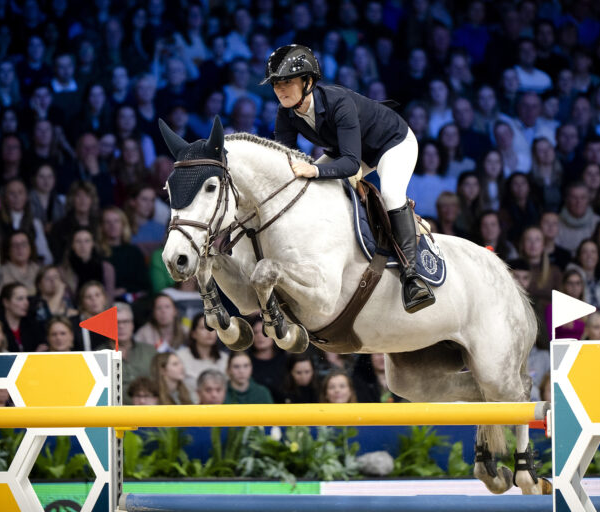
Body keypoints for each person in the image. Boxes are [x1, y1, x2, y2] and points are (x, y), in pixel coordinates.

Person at [263, 44, 434, 312]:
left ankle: (412, 276)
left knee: (390, 194)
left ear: (308, 82)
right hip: (350, 152)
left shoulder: (338, 102)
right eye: (275, 84)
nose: (280, 89)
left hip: (392, 143)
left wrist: (316, 170)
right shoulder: (285, 112)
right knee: (304, 189)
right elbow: (285, 159)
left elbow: (352, 164)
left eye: (287, 82)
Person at [95, 302, 156, 404]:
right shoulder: (97, 356)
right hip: (114, 416)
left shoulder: (150, 352)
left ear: (132, 324)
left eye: (126, 321)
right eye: (116, 322)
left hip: (149, 414)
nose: (121, 326)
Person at [176, 314, 229, 399]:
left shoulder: (225, 359)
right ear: (193, 333)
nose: (209, 332)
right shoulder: (179, 357)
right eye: (203, 328)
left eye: (212, 328)